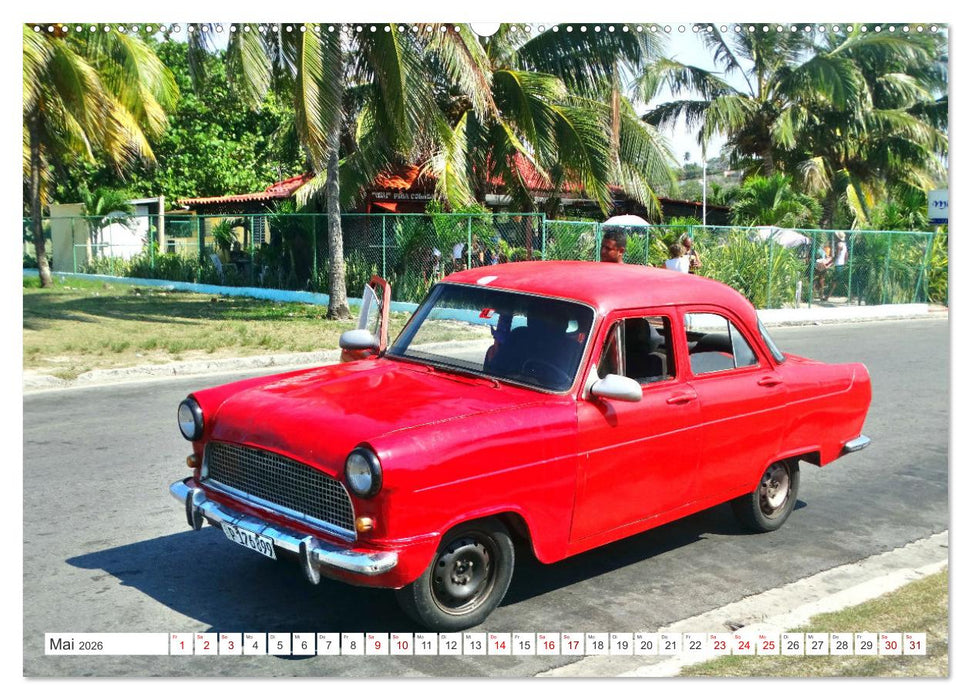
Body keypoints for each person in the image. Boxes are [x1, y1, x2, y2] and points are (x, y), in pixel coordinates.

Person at [826, 232, 848, 300]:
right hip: (841, 264)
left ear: (838, 238)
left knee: (835, 281)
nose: (835, 237)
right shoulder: (844, 245)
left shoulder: (839, 245)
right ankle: (827, 296)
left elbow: (836, 256)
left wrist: (829, 263)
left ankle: (827, 297)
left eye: (836, 236)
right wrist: (845, 263)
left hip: (838, 265)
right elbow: (846, 255)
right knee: (837, 281)